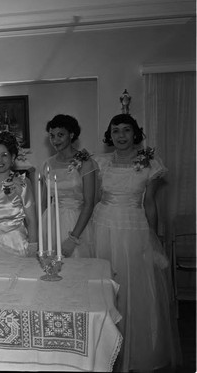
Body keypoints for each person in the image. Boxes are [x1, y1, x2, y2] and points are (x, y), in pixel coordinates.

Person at [92, 113, 181, 371]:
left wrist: (153, 236)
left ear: (135, 134)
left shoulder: (150, 163)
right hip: (103, 226)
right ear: (110, 135)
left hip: (134, 229)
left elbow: (150, 203)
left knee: (134, 288)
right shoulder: (100, 163)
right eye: (116, 130)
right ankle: (102, 350)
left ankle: (134, 351)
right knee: (104, 286)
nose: (121, 135)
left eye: (126, 130)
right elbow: (95, 196)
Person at [41, 114, 97, 258]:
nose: (55, 140)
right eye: (52, 136)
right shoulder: (48, 163)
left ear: (71, 135)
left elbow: (89, 203)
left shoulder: (85, 162)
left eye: (60, 135)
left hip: (77, 221)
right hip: (52, 221)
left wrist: (73, 238)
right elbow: (44, 202)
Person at [0, 132, 37, 257]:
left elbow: (31, 221)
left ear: (13, 157)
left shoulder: (21, 183)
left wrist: (33, 248)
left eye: (4, 155)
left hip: (16, 244)